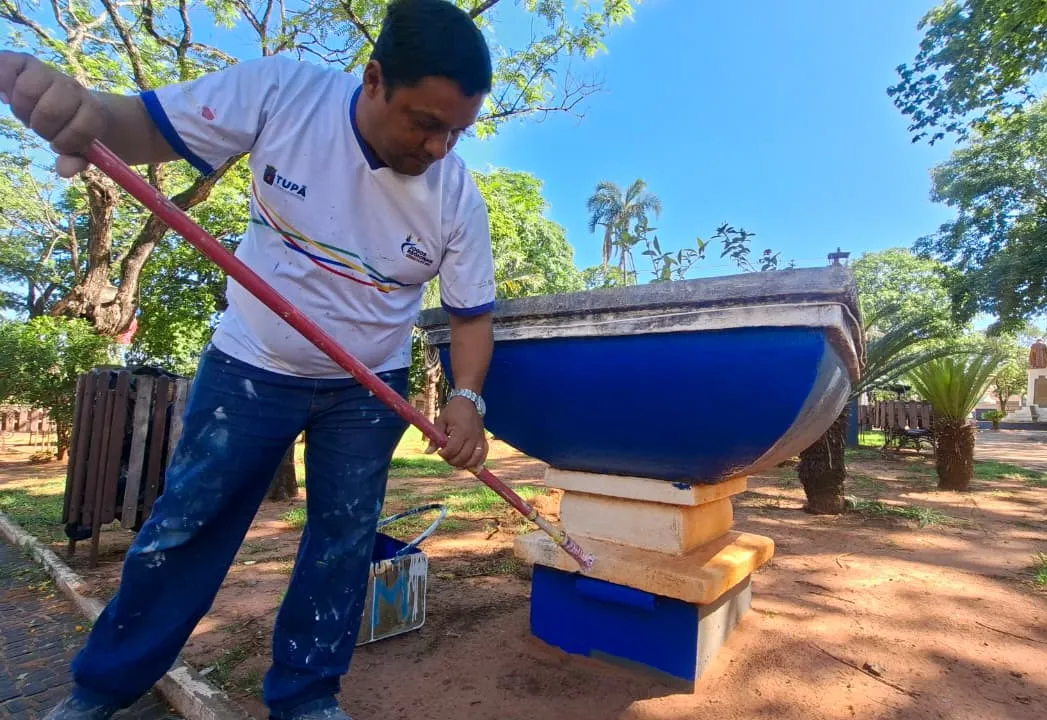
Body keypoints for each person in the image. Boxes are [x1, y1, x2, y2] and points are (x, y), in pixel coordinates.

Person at [0, 1, 496, 718]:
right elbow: (144, 126)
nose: (439, 148)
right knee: (187, 525)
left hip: (369, 392)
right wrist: (90, 113)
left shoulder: (457, 197)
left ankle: (306, 697)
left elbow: (471, 316)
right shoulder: (283, 93)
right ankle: (101, 688)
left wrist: (466, 397)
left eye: (456, 132)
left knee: (343, 542)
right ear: (374, 78)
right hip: (250, 368)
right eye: (425, 123)